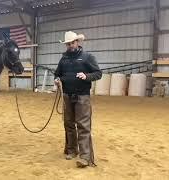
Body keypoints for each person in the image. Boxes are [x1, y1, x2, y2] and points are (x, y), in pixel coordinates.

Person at [54, 31, 102, 168]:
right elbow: (57, 74)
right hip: (66, 96)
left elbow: (98, 74)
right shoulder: (63, 59)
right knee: (68, 124)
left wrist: (86, 76)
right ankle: (71, 150)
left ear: (77, 42)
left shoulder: (87, 57)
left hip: (82, 97)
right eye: (68, 44)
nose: (70, 45)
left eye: (72, 43)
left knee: (83, 126)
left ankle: (85, 157)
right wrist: (57, 80)